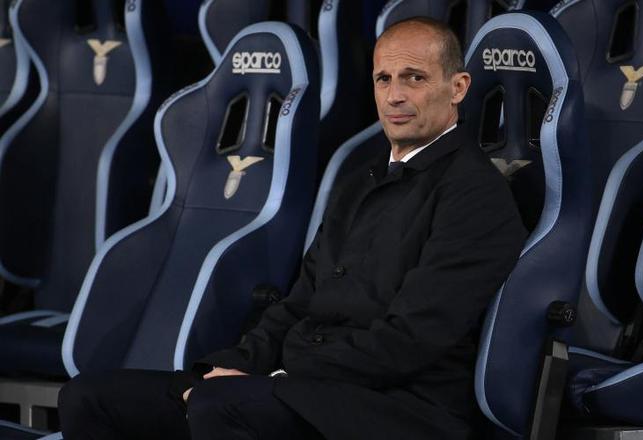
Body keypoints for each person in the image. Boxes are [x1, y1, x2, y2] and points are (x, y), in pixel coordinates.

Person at [58, 17, 527, 440]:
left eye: (415, 78)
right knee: (90, 397)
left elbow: (410, 340)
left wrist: (279, 377)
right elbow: (298, 304)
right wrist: (227, 368)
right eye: (383, 79)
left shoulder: (475, 195)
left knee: (222, 405)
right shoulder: (357, 182)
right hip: (308, 387)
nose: (394, 96)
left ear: (458, 87)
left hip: (404, 406)